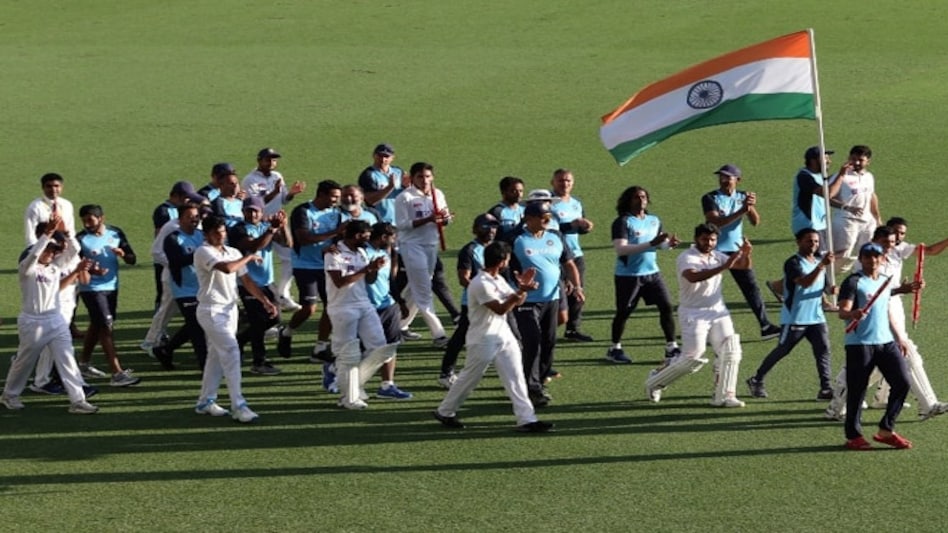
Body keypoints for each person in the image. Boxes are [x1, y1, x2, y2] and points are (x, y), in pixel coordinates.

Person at [826, 222, 948, 421]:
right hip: (872, 321)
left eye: (895, 240)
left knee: (877, 363)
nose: (891, 245)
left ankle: (848, 403)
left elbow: (929, 251)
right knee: (904, 356)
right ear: (875, 240)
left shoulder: (894, 253)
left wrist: (904, 290)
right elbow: (870, 293)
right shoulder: (865, 264)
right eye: (886, 242)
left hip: (890, 313)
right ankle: (928, 405)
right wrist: (899, 292)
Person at [434, 241, 554, 433]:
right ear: (502, 261)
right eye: (508, 258)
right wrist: (521, 291)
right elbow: (500, 309)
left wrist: (522, 289)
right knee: (470, 377)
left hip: (503, 334)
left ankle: (526, 419)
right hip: (483, 338)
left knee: (516, 377)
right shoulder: (480, 283)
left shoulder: (498, 279)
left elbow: (516, 302)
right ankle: (445, 411)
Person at [645, 223, 749, 408]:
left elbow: (741, 266)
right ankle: (655, 381)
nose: (709, 243)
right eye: (705, 239)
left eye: (712, 240)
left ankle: (724, 396)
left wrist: (746, 254)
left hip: (718, 310)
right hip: (693, 313)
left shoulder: (717, 256)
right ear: (696, 239)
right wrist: (725, 266)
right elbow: (693, 277)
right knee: (692, 358)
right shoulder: (687, 257)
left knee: (731, 351)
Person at [1, 216, 98, 414]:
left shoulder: (54, 268)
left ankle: (78, 401)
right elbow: (34, 254)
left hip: (55, 320)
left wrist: (69, 239)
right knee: (24, 361)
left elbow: (72, 254)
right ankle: (9, 395)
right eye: (49, 250)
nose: (52, 254)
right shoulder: (27, 269)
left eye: (54, 251)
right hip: (32, 322)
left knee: (67, 358)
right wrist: (46, 235)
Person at [193, 215, 278, 423]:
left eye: (223, 232)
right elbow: (227, 268)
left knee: (216, 355)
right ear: (206, 234)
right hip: (211, 310)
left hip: (231, 310)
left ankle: (205, 401)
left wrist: (265, 301)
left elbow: (246, 280)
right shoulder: (203, 251)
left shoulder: (233, 252)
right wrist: (249, 257)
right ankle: (238, 405)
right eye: (216, 233)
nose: (220, 236)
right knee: (231, 351)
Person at [837, 242, 912, 450]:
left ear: (882, 259)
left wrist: (899, 338)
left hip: (885, 342)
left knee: (902, 382)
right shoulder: (853, 282)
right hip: (860, 344)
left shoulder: (884, 281)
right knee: (857, 390)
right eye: (868, 257)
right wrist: (852, 313)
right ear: (861, 259)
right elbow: (842, 311)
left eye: (876, 256)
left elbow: (885, 310)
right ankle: (853, 436)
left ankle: (886, 430)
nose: (873, 260)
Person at [507, 201, 583, 406]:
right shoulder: (516, 239)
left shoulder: (555, 236)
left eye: (548, 217)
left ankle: (539, 381)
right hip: (527, 301)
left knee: (548, 342)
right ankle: (531, 388)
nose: (547, 220)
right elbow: (504, 267)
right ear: (528, 218)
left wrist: (577, 287)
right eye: (543, 217)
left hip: (552, 298)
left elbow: (568, 263)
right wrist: (515, 288)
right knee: (532, 342)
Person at [746, 228, 835, 399]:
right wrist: (822, 265)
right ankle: (757, 379)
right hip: (796, 317)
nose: (813, 244)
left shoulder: (818, 261)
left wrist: (832, 290)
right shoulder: (793, 263)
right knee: (783, 349)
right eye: (809, 241)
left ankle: (825, 388)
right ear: (799, 242)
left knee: (823, 350)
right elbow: (805, 283)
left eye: (816, 241)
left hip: (816, 317)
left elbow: (824, 286)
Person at [324, 220, 399, 409]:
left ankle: (345, 379)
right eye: (366, 236)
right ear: (357, 236)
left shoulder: (362, 252)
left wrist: (374, 268)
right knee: (349, 354)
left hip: (364, 304)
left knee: (381, 349)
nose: (368, 240)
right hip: (342, 307)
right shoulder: (334, 254)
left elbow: (369, 280)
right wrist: (367, 269)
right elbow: (340, 282)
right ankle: (349, 397)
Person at [702, 164, 780, 340]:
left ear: (738, 180)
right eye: (721, 176)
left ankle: (765, 326)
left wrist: (750, 207)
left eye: (728, 177)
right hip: (714, 251)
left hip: (736, 251)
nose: (723, 180)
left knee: (751, 288)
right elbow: (715, 222)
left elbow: (755, 221)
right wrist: (742, 210)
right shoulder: (710, 198)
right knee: (709, 291)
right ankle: (703, 327)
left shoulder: (742, 197)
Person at [607, 186, 680, 364]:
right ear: (628, 201)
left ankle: (671, 347)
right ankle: (614, 348)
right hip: (628, 276)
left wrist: (669, 245)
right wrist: (652, 243)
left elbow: (659, 244)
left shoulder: (654, 220)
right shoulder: (622, 222)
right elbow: (621, 249)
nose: (641, 200)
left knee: (666, 306)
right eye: (636, 197)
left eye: (644, 197)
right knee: (624, 312)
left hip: (652, 273)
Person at [766, 146, 842, 305]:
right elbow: (826, 193)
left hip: (820, 223)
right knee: (817, 259)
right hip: (808, 224)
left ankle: (778, 286)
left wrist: (845, 207)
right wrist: (841, 175)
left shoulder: (820, 176)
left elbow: (826, 199)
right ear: (814, 160)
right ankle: (822, 299)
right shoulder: (804, 176)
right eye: (825, 157)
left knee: (813, 259)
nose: (829, 161)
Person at [74, 204, 140, 387]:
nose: (87, 224)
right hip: (91, 289)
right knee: (105, 327)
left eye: (90, 220)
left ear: (101, 218)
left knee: (97, 324)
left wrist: (123, 254)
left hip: (112, 287)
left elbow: (132, 259)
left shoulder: (116, 233)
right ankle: (117, 373)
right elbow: (76, 266)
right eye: (84, 221)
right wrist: (93, 270)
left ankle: (83, 364)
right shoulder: (80, 239)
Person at [279, 180, 343, 359]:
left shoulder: (335, 213)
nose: (336, 201)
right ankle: (287, 331)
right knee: (309, 308)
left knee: (331, 307)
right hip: (305, 265)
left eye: (338, 197)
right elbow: (304, 239)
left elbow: (339, 238)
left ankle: (320, 348)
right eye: (334, 197)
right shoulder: (303, 211)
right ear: (321, 194)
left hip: (328, 265)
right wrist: (335, 232)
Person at [142, 181, 207, 353]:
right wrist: (175, 263)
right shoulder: (171, 227)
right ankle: (151, 343)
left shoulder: (197, 226)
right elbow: (156, 252)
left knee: (197, 315)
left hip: (193, 278)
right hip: (175, 277)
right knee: (166, 311)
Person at [230, 196, 291, 376]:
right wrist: (272, 229)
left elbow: (287, 243)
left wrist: (283, 225)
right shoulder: (238, 229)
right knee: (258, 321)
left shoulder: (265, 226)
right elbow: (254, 246)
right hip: (247, 283)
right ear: (243, 211)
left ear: (262, 211)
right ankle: (259, 361)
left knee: (274, 318)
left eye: (255, 211)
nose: (252, 214)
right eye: (248, 210)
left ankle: (241, 340)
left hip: (267, 282)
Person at [394, 161, 452, 347]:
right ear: (412, 178)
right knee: (424, 290)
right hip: (412, 246)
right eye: (420, 177)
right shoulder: (404, 197)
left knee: (416, 288)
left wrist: (445, 219)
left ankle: (397, 325)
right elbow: (401, 225)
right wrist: (428, 219)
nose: (425, 180)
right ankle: (439, 335)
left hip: (431, 245)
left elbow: (445, 218)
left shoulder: (438, 194)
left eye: (427, 176)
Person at [242, 147, 306, 312]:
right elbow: (255, 203)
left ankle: (283, 293)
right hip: (259, 225)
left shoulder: (277, 176)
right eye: (268, 159)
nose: (271, 162)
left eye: (274, 160)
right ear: (259, 160)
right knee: (260, 262)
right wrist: (274, 192)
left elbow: (283, 200)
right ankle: (253, 296)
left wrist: (291, 194)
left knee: (290, 257)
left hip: (277, 224)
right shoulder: (250, 180)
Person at [439, 213, 499, 388]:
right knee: (461, 337)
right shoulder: (470, 250)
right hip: (473, 303)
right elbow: (463, 279)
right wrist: (482, 293)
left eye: (494, 226)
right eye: (486, 226)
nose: (491, 230)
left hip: (495, 300)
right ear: (475, 229)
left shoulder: (496, 248)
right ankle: (446, 373)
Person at [364, 222, 412, 400]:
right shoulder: (364, 253)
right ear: (384, 237)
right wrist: (373, 268)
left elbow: (390, 279)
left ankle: (387, 385)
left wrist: (400, 301)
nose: (394, 241)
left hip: (388, 305)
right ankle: (335, 371)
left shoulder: (385, 253)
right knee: (363, 349)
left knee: (391, 346)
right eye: (393, 238)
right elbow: (368, 280)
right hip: (368, 308)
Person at [159, 204, 208, 370]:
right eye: (189, 216)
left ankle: (166, 349)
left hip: (203, 287)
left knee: (199, 322)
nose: (194, 219)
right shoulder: (173, 238)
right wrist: (200, 253)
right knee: (196, 326)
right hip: (184, 289)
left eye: (196, 216)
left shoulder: (202, 235)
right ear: (180, 219)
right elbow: (176, 261)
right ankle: (205, 365)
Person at [551, 168, 595, 342]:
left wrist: (585, 227)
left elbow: (578, 227)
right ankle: (546, 327)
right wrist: (572, 225)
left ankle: (573, 329)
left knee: (578, 292)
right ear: (553, 182)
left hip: (575, 253)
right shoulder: (550, 203)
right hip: (557, 255)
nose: (565, 184)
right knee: (558, 292)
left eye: (568, 180)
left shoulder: (576, 203)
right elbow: (551, 229)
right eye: (561, 180)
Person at [829, 145, 881, 275]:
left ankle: (861, 278)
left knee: (869, 252)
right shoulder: (841, 176)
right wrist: (846, 207)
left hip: (867, 222)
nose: (856, 162)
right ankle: (826, 279)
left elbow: (872, 196)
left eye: (861, 160)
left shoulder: (869, 176)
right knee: (842, 254)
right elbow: (828, 197)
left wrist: (877, 218)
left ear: (868, 161)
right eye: (853, 159)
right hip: (846, 221)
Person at [358, 143, 405, 225]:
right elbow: (370, 201)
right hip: (380, 222)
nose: (383, 159)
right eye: (380, 155)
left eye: (386, 156)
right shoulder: (368, 175)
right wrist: (389, 187)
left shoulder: (398, 171)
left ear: (392, 158)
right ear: (374, 155)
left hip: (399, 221)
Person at [24, 172, 76, 246]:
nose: (53, 189)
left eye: (56, 186)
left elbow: (71, 229)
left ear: (62, 187)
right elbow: (30, 234)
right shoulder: (35, 207)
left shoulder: (67, 205)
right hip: (45, 249)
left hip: (65, 247)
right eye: (49, 186)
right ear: (43, 188)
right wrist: (36, 250)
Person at [487, 176, 525, 241]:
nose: (519, 194)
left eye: (521, 191)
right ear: (503, 192)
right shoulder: (497, 212)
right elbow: (493, 238)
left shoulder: (525, 208)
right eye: (514, 191)